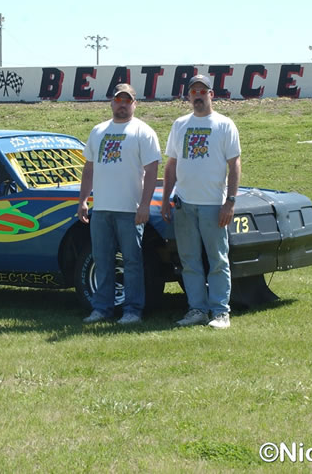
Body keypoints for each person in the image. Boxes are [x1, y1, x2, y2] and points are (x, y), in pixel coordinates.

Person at [161, 75, 241, 329]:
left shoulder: (224, 125)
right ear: (188, 96)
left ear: (211, 95)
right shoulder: (180, 125)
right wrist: (166, 198)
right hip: (184, 204)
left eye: (202, 91)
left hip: (213, 205)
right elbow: (171, 165)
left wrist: (230, 201)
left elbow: (234, 164)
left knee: (217, 260)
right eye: (193, 91)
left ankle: (220, 312)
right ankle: (197, 309)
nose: (198, 95)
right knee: (189, 261)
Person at [77, 83, 161, 325]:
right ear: (112, 103)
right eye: (118, 100)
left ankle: (132, 311)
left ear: (134, 104)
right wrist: (83, 200)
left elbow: (152, 170)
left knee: (132, 262)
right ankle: (101, 309)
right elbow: (89, 168)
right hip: (101, 209)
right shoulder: (98, 131)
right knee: (102, 260)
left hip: (130, 210)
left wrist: (144, 205)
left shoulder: (143, 132)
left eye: (127, 100)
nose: (122, 104)